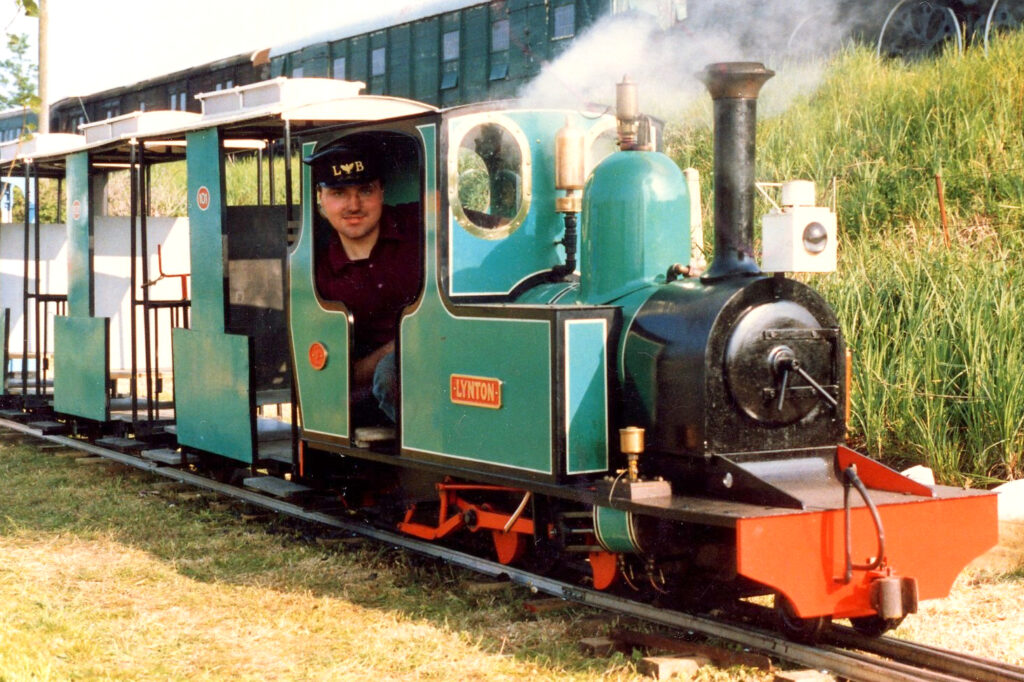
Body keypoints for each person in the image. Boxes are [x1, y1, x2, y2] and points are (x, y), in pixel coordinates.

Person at [303, 141, 421, 423]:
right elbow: (338, 373)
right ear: (320, 197)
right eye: (339, 193)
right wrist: (404, 344)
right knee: (389, 373)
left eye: (365, 191)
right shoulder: (317, 271)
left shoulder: (419, 221)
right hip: (375, 397)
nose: (353, 206)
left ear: (382, 192)